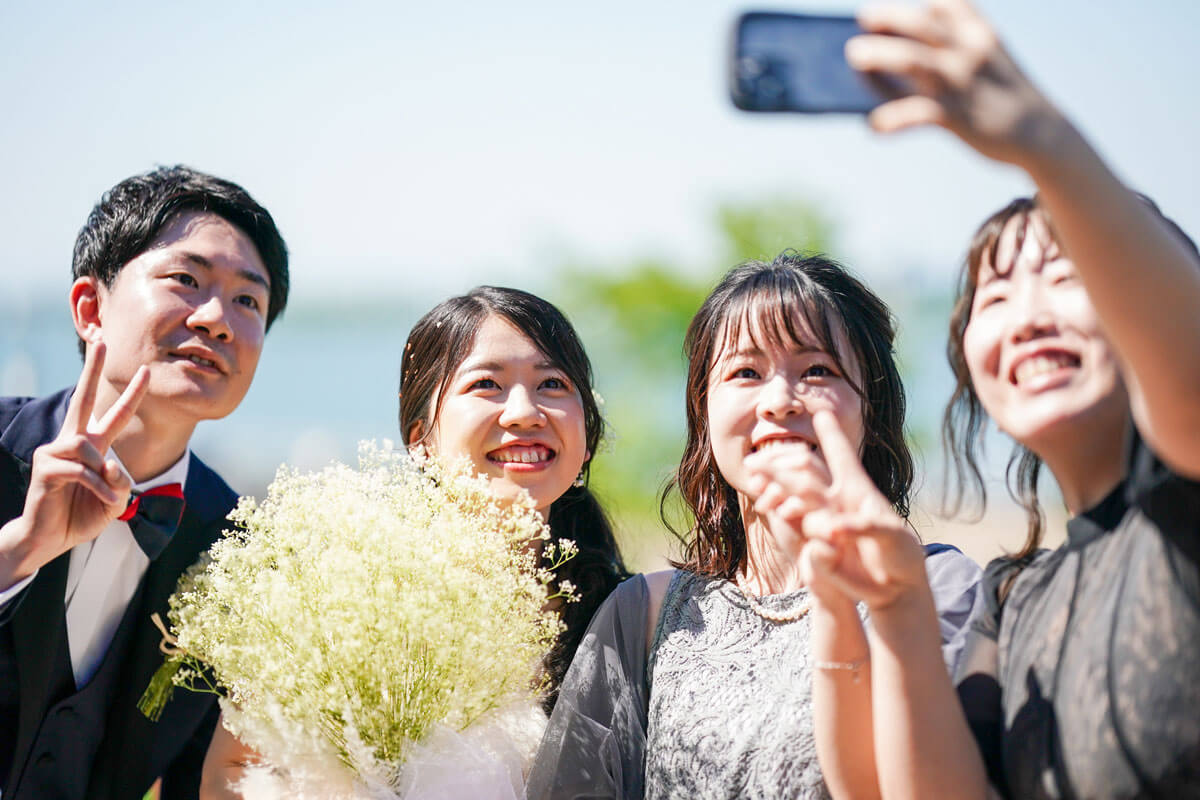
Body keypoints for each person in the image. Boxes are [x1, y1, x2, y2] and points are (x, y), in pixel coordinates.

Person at [779, 1, 1200, 797]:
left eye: (1069, 275)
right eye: (995, 297)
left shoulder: (1182, 516)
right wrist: (890, 602)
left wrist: (1044, 142)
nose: (1029, 315)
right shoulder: (1011, 597)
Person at [525, 252, 982, 799]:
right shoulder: (642, 616)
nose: (781, 400)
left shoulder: (940, 590)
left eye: (818, 370)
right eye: (746, 372)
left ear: (871, 408)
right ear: (704, 410)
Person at [200, 286, 628, 796]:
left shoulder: (625, 615)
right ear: (421, 438)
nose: (523, 412)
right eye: (487, 384)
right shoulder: (345, 596)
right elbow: (231, 775)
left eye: (552, 383)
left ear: (587, 436)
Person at [0, 166, 289, 799]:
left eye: (249, 301)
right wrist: (19, 550)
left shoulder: (245, 550)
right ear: (89, 308)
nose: (217, 319)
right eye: (185, 280)